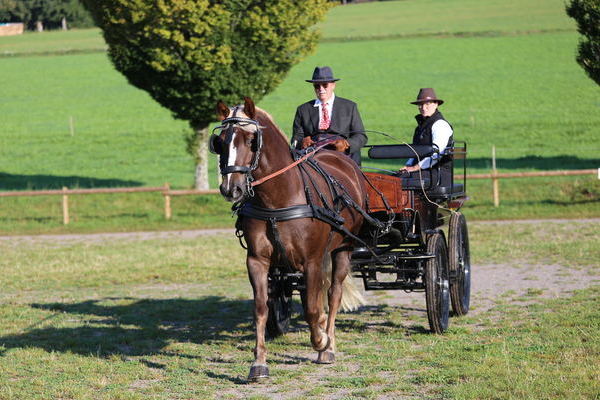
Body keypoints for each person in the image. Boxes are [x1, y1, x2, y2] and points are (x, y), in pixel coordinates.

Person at [291, 66, 367, 165]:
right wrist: (302, 142)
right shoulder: (303, 109)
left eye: (325, 85)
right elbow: (295, 139)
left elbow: (361, 136)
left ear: (333, 85)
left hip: (344, 158)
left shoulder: (349, 107)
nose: (321, 89)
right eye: (317, 86)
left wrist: (346, 144)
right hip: (313, 159)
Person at [398, 88, 454, 187]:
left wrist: (415, 167)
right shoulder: (420, 128)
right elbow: (415, 151)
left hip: (438, 173)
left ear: (436, 104)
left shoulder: (440, 125)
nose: (423, 108)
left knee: (398, 181)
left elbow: (437, 153)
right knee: (392, 178)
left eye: (427, 104)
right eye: (420, 105)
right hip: (422, 171)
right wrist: (407, 166)